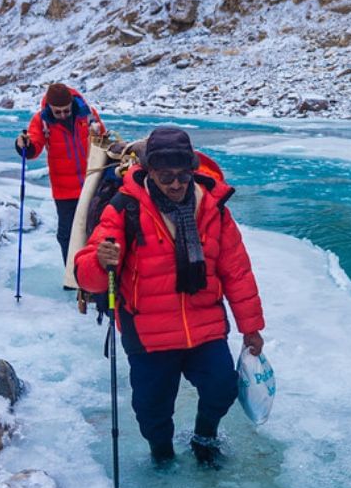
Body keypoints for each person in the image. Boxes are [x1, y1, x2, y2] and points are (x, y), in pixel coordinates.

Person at [74, 126, 265, 469]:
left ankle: (204, 437)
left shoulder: (213, 208)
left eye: (182, 176)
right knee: (151, 407)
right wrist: (99, 262)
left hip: (204, 324)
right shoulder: (124, 208)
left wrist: (250, 328)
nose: (176, 185)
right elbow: (89, 277)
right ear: (149, 173)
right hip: (148, 333)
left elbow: (236, 271)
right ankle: (161, 452)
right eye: (165, 177)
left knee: (222, 387)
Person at [15, 83, 105, 263]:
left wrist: (99, 132)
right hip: (64, 190)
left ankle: (93, 276)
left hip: (92, 183)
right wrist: (24, 146)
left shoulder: (87, 114)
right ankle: (72, 274)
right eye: (58, 112)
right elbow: (34, 147)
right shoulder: (41, 120)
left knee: (96, 231)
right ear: (50, 107)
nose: (63, 115)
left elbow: (103, 140)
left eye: (66, 110)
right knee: (66, 235)